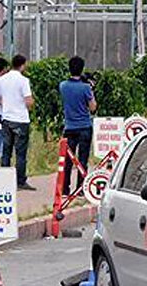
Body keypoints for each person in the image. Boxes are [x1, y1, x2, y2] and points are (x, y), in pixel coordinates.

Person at [0, 54, 36, 191]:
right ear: (23, 65)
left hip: (6, 119)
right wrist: (30, 106)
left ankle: (4, 181)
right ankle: (20, 181)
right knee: (20, 153)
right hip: (21, 120)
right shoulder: (23, 80)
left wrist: (8, 104)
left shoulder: (2, 80)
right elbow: (28, 101)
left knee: (6, 151)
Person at [59, 55, 97, 194]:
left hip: (69, 127)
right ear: (82, 69)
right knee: (82, 159)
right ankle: (81, 188)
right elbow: (92, 107)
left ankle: (64, 188)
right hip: (85, 127)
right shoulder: (86, 88)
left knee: (68, 160)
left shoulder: (63, 86)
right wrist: (91, 89)